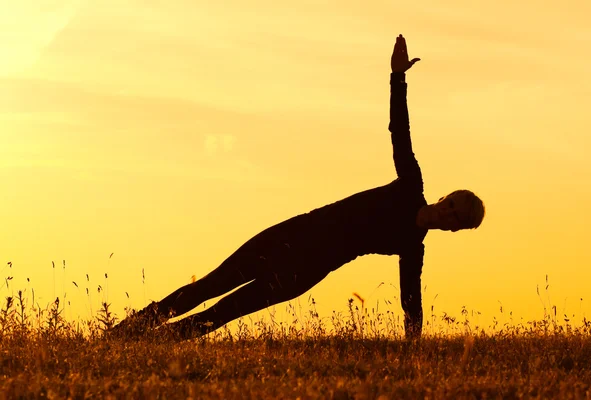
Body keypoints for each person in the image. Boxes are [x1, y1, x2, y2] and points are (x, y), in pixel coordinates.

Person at [112, 34, 485, 340]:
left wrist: (414, 345)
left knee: (225, 312)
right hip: (293, 233)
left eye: (457, 217)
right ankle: (123, 336)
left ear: (454, 229)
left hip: (306, 270)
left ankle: (156, 345)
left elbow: (410, 300)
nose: (449, 212)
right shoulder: (410, 185)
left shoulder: (412, 247)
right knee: (208, 286)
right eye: (453, 203)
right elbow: (399, 133)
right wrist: (397, 78)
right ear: (444, 197)